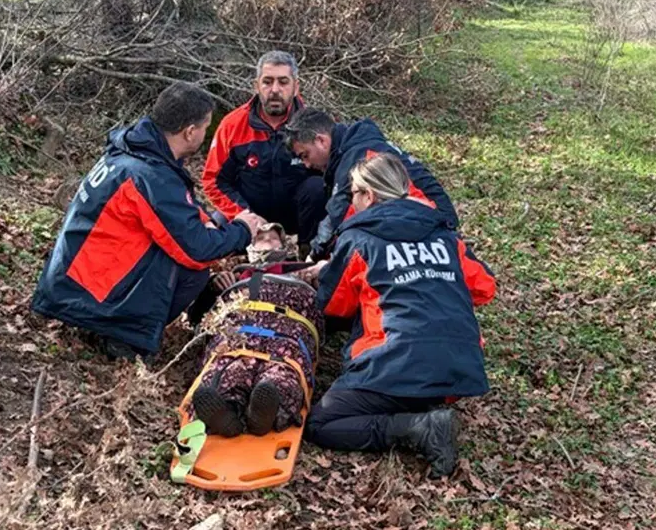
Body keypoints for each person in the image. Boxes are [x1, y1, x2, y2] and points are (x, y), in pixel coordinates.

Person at [30, 82, 267, 359]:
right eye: (204, 128)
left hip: (69, 280)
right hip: (83, 291)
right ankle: (125, 336)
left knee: (180, 249)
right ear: (190, 132)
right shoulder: (151, 175)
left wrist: (205, 221)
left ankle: (114, 324)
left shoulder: (134, 150)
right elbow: (198, 249)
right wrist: (243, 229)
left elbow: (173, 208)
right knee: (193, 270)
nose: (204, 135)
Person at [304, 152, 495, 478]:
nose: (352, 203)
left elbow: (333, 305)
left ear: (370, 195)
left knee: (322, 424)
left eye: (354, 194)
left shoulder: (359, 237)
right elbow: (484, 287)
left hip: (395, 364)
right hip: (458, 370)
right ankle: (420, 407)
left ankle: (416, 428)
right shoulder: (445, 234)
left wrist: (329, 273)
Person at [186, 231, 323, 437]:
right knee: (225, 370)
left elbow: (336, 296)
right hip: (237, 334)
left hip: (285, 333)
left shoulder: (305, 272)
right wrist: (211, 287)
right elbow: (196, 317)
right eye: (261, 239)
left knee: (280, 373)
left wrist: (323, 273)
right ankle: (226, 413)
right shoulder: (234, 276)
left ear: (285, 248)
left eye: (273, 238)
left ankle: (264, 412)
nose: (267, 241)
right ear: (250, 249)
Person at [284, 107, 458, 260]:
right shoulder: (355, 146)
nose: (306, 164)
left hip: (431, 232)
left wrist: (314, 257)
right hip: (424, 225)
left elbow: (341, 218)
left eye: (305, 155)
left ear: (321, 140)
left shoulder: (357, 157)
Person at [202, 51, 328, 246]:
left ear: (296, 87)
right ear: (256, 86)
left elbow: (334, 175)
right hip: (247, 215)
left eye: (283, 82)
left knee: (317, 188)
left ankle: (309, 255)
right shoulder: (232, 125)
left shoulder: (314, 125)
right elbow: (213, 180)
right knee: (211, 226)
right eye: (267, 82)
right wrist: (245, 215)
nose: (275, 89)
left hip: (300, 217)